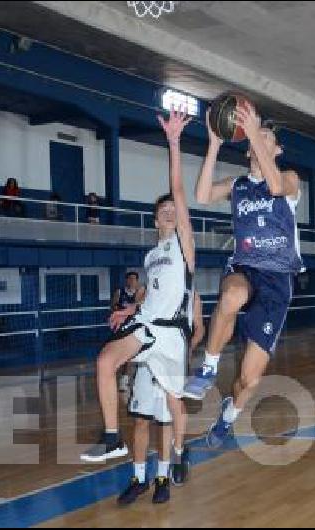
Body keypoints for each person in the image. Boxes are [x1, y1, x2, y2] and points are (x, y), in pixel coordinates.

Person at [182, 102, 304, 449]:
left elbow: (277, 186)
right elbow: (203, 195)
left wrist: (253, 132)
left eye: (267, 136)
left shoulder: (290, 180)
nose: (260, 136)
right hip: (246, 268)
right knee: (232, 296)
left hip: (278, 281)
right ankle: (207, 367)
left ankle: (229, 414)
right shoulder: (237, 186)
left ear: (275, 150)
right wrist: (215, 143)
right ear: (249, 148)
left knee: (248, 381)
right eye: (256, 135)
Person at [80, 108, 196, 466]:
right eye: (164, 210)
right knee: (104, 362)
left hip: (173, 335)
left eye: (174, 209)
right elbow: (153, 294)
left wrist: (173, 142)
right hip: (147, 326)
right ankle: (113, 438)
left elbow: (177, 189)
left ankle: (179, 451)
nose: (170, 212)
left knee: (175, 402)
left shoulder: (183, 245)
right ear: (155, 217)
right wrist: (132, 309)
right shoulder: (150, 256)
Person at [118, 292, 205, 506]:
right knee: (140, 421)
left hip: (170, 362)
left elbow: (200, 328)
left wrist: (187, 350)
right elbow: (136, 325)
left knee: (165, 423)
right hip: (146, 362)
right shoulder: (146, 292)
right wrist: (126, 371)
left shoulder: (192, 295)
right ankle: (139, 479)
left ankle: (162, 478)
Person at [111, 272, 147, 394]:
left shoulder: (141, 292)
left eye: (134, 279)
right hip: (121, 325)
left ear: (137, 281)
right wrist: (121, 311)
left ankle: (127, 379)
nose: (131, 281)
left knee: (134, 354)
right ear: (126, 280)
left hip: (136, 326)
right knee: (122, 354)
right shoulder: (120, 292)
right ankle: (121, 378)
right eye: (129, 279)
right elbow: (113, 306)